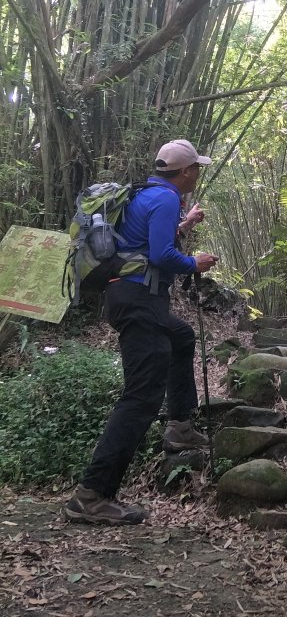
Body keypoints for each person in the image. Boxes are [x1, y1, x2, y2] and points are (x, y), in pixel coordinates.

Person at [64, 139, 219, 525]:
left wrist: (185, 225)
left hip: (128, 297)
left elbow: (141, 242)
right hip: (139, 300)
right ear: (185, 172)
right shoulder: (166, 199)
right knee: (141, 396)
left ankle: (180, 426)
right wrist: (195, 263)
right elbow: (160, 256)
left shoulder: (149, 194)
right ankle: (92, 494)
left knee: (181, 337)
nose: (198, 173)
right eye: (196, 167)